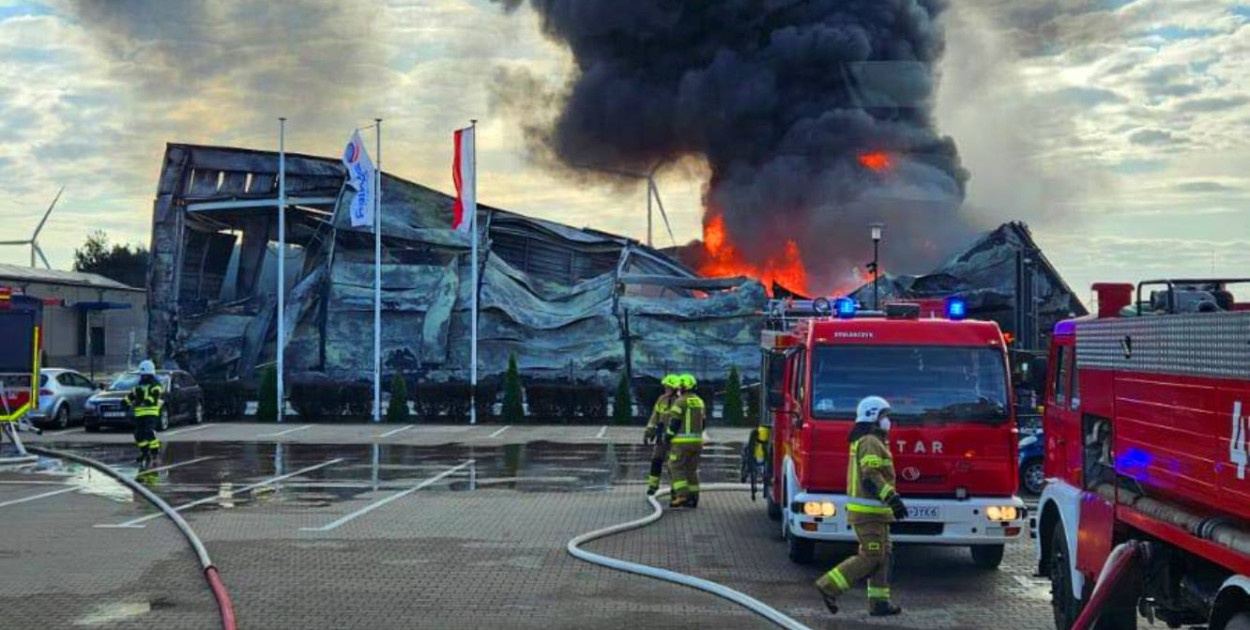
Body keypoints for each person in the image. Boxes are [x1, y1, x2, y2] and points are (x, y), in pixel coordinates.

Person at [814, 396, 907, 617]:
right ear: (873, 416)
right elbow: (870, 476)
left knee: (883, 556)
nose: (888, 421)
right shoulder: (869, 441)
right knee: (872, 556)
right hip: (868, 514)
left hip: (876, 514)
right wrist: (891, 497)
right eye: (885, 416)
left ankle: (879, 604)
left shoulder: (873, 440)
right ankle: (828, 586)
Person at [665, 373, 705, 509]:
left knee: (675, 467)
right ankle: (693, 498)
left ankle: (681, 496)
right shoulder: (699, 401)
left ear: (683, 387)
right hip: (697, 443)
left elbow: (675, 423)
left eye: (680, 386)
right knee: (691, 470)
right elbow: (703, 423)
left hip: (682, 443)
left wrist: (668, 436)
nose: (678, 389)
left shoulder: (680, 401)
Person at [643, 374, 680, 496]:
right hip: (661, 437)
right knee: (656, 460)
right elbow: (654, 418)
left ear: (675, 388)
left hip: (675, 439)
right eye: (665, 387)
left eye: (668, 387)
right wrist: (648, 433)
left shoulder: (680, 401)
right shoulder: (661, 399)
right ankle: (653, 486)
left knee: (673, 465)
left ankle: (675, 489)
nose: (666, 389)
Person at [125, 360, 164, 468]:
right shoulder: (140, 385)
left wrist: (145, 401)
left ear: (148, 374)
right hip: (139, 414)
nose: (141, 377)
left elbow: (154, 397)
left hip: (151, 414)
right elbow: (132, 395)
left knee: (149, 432)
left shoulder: (156, 385)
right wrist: (125, 402)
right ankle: (145, 452)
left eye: (143, 375)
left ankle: (155, 453)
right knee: (138, 434)